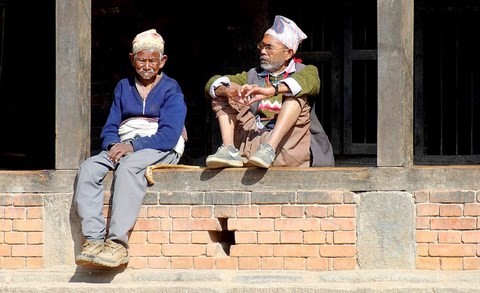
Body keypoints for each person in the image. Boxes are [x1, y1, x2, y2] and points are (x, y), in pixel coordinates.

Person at [73, 29, 187, 267]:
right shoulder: (123, 87)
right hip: (124, 144)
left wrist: (133, 146)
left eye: (152, 61)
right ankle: (93, 240)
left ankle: (117, 244)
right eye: (141, 60)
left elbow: (168, 135)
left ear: (162, 61)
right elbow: (110, 127)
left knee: (128, 167)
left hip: (159, 146)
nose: (147, 66)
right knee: (88, 168)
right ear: (132, 59)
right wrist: (114, 144)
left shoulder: (171, 89)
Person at [205, 15, 334, 169]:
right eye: (262, 46)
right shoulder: (253, 74)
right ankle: (229, 150)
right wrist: (229, 91)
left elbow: (308, 83)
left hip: (289, 146)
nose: (263, 52)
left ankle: (269, 149)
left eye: (269, 47)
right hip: (254, 143)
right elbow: (212, 83)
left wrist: (270, 91)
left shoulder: (306, 71)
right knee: (222, 90)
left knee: (296, 95)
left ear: (288, 53)